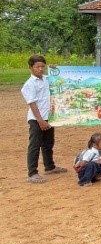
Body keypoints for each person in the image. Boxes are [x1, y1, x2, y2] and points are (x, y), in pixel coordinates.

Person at [22, 54, 67, 184]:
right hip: (36, 119)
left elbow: (61, 77)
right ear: (31, 67)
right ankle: (32, 173)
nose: (40, 69)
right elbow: (32, 104)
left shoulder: (47, 79)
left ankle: (50, 166)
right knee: (35, 145)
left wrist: (57, 69)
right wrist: (40, 120)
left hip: (49, 117)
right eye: (37, 67)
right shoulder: (29, 85)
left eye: (43, 66)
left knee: (48, 144)